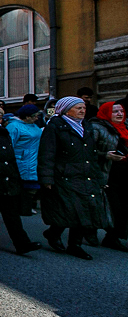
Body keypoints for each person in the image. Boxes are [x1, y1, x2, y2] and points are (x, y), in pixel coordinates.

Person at [38, 96, 115, 260]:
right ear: (66, 110)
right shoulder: (55, 126)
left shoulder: (86, 126)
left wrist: (99, 178)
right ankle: (53, 233)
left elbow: (91, 154)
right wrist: (46, 179)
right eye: (78, 108)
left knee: (85, 209)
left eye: (84, 108)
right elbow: (47, 154)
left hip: (85, 175)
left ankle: (75, 245)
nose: (83, 110)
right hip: (64, 175)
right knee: (70, 209)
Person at [0, 105, 40, 255]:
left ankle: (22, 244)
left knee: (12, 215)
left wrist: (15, 177)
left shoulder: (4, 132)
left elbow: (10, 156)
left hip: (7, 178)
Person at [89, 102, 128, 251]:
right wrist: (105, 155)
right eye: (115, 111)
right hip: (107, 172)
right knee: (111, 207)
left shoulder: (126, 126)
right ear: (106, 113)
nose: (119, 114)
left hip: (124, 172)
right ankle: (91, 231)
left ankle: (112, 237)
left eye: (121, 111)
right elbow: (89, 150)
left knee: (124, 207)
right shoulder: (97, 127)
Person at [7, 104, 43, 215]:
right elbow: (10, 143)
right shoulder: (14, 126)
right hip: (22, 159)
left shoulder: (34, 126)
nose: (37, 118)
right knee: (24, 185)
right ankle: (22, 207)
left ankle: (27, 206)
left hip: (34, 158)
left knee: (32, 185)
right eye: (34, 116)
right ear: (27, 117)